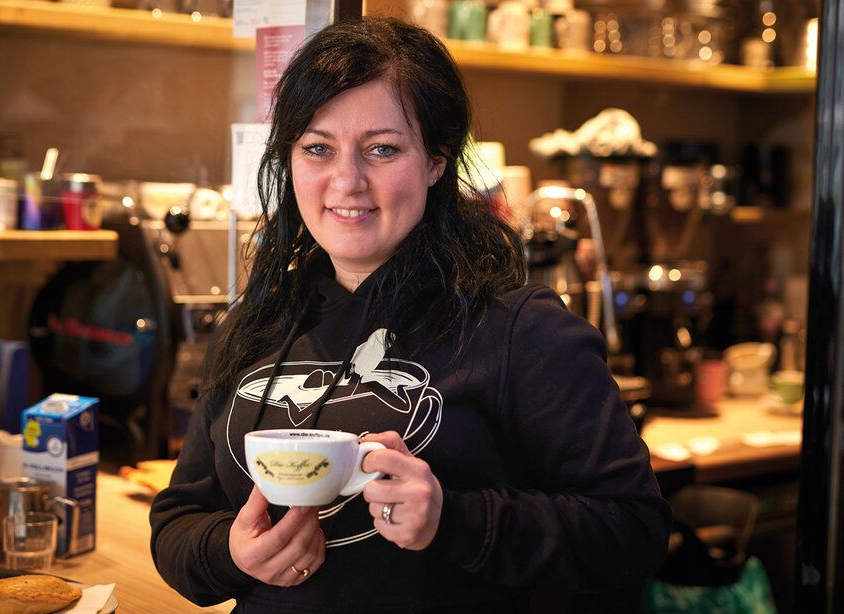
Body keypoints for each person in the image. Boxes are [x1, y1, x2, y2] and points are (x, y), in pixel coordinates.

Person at [150, 17, 670, 612]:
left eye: (382, 149)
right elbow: (179, 518)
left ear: (436, 161)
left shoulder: (521, 330)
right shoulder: (254, 325)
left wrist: (454, 520)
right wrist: (228, 553)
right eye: (318, 148)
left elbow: (634, 530)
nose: (347, 181)